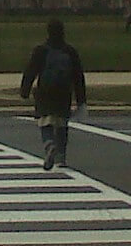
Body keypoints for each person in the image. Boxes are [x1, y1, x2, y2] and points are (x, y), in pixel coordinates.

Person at [20, 19, 87, 170]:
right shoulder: (70, 51)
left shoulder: (41, 50)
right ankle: (61, 157)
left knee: (45, 121)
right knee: (62, 124)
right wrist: (81, 99)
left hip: (45, 90)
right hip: (64, 91)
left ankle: (49, 143)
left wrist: (24, 90)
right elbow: (78, 76)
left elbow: (31, 71)